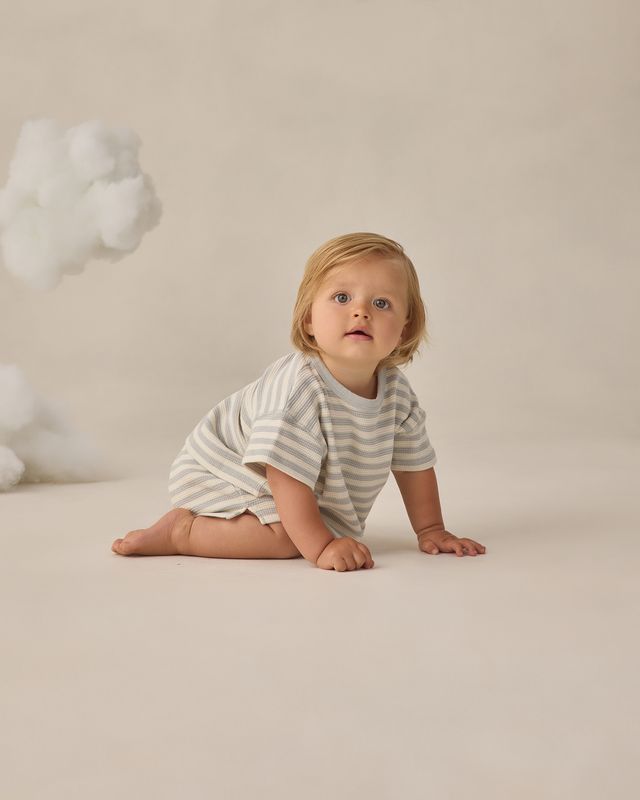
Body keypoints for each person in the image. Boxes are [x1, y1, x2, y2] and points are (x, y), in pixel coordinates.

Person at [111, 232, 486, 571]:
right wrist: (321, 546)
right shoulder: (300, 390)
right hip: (225, 473)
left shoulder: (397, 394)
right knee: (289, 539)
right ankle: (184, 531)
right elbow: (284, 475)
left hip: (286, 484)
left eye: (382, 303)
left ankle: (290, 529)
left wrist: (431, 529)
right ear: (308, 318)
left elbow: (414, 467)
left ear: (404, 328)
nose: (361, 311)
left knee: (312, 525)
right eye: (342, 298)